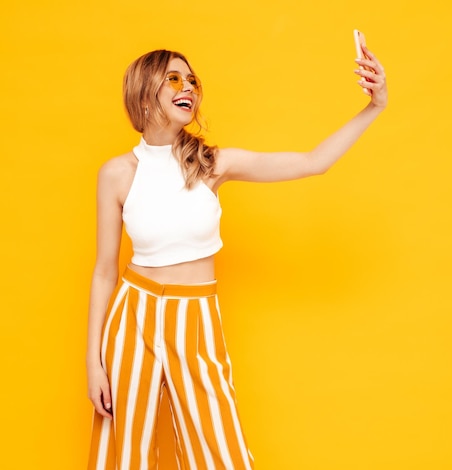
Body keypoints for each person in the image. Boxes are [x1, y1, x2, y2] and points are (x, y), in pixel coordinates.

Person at [86, 43, 387, 470]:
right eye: (174, 78)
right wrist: (93, 363)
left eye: (192, 80)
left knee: (222, 455)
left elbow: (312, 162)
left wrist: (373, 107)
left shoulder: (212, 163)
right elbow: (103, 272)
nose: (187, 86)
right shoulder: (116, 174)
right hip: (133, 317)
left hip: (196, 317)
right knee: (126, 454)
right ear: (143, 90)